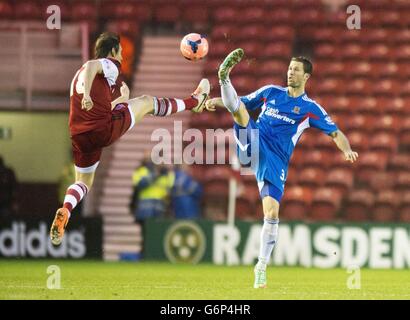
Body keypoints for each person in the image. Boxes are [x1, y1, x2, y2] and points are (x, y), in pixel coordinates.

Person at [205, 49, 358, 288]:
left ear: (306, 77)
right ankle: (224, 76)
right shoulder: (270, 92)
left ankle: (261, 267)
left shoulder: (310, 108)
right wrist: (215, 100)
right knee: (240, 113)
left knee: (272, 213)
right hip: (254, 142)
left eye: (296, 70)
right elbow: (240, 103)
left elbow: (336, 133)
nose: (290, 73)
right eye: (289, 68)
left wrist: (346, 150)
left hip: (275, 161)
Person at [50, 32, 210, 245]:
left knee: (83, 182)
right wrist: (90, 96)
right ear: (113, 50)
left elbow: (97, 106)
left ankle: (66, 210)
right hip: (101, 129)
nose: (123, 58)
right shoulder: (108, 64)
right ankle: (194, 101)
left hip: (80, 135)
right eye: (121, 52)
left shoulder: (77, 77)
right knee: (145, 102)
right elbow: (91, 66)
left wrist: (121, 101)